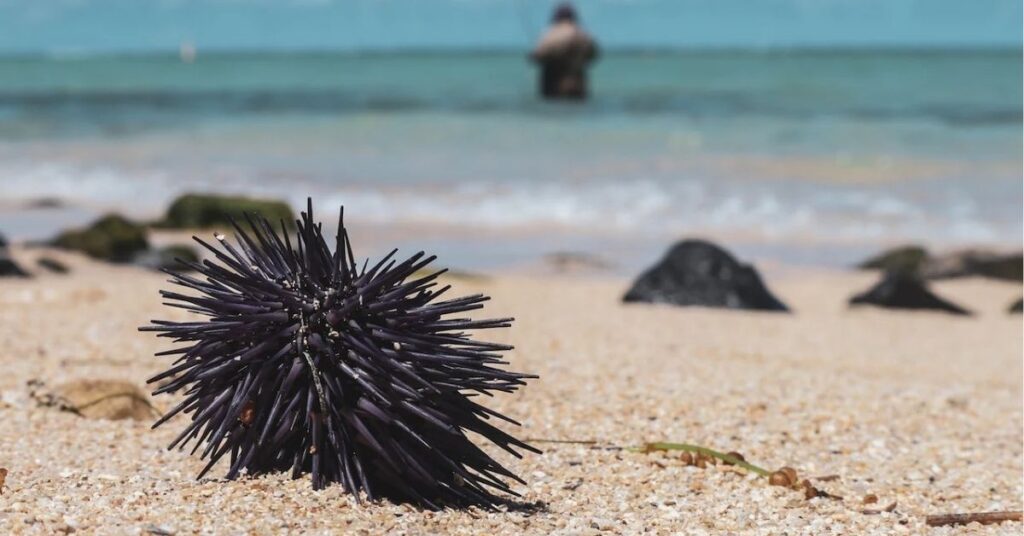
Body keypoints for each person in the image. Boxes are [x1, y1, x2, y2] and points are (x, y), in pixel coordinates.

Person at [529, 3, 599, 100]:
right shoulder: (584, 35)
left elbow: (537, 56)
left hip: (554, 87)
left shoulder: (551, 34)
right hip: (578, 86)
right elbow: (594, 55)